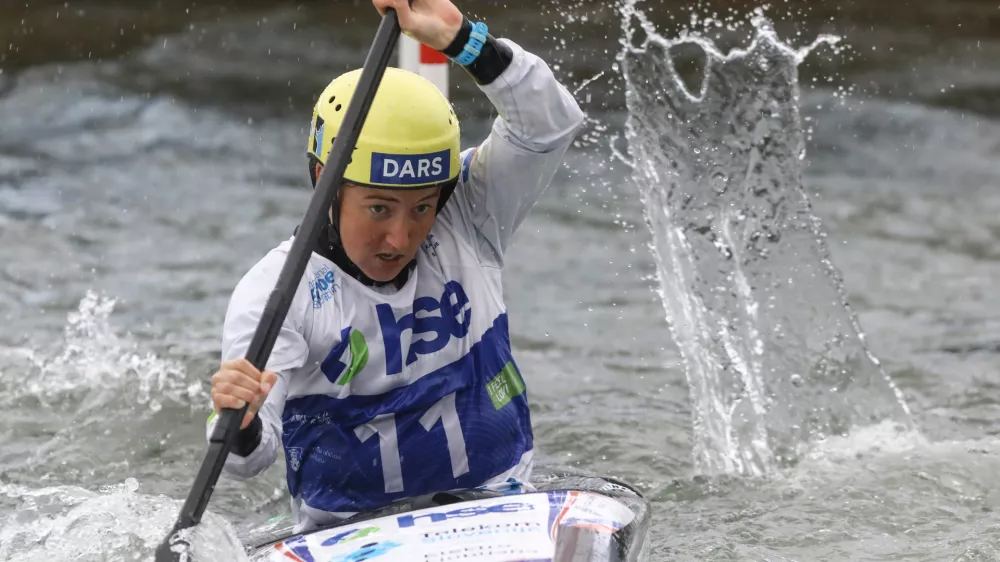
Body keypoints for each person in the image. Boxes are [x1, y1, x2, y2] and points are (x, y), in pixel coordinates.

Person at [206, 0, 585, 532]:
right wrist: (241, 422)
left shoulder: (471, 218)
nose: (400, 237)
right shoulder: (275, 294)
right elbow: (251, 459)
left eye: (422, 206)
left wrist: (462, 40)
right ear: (325, 182)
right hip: (350, 534)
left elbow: (551, 124)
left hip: (502, 507)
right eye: (379, 207)